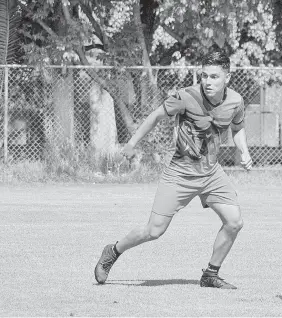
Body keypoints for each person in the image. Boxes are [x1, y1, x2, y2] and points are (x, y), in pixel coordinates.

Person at [94, 50, 252, 289]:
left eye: (214, 77)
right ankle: (113, 251)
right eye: (204, 76)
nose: (208, 82)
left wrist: (244, 151)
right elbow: (155, 116)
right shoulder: (185, 96)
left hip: (211, 174)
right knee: (153, 231)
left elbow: (238, 128)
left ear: (227, 78)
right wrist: (131, 144)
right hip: (179, 174)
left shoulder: (235, 101)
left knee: (234, 222)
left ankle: (210, 274)